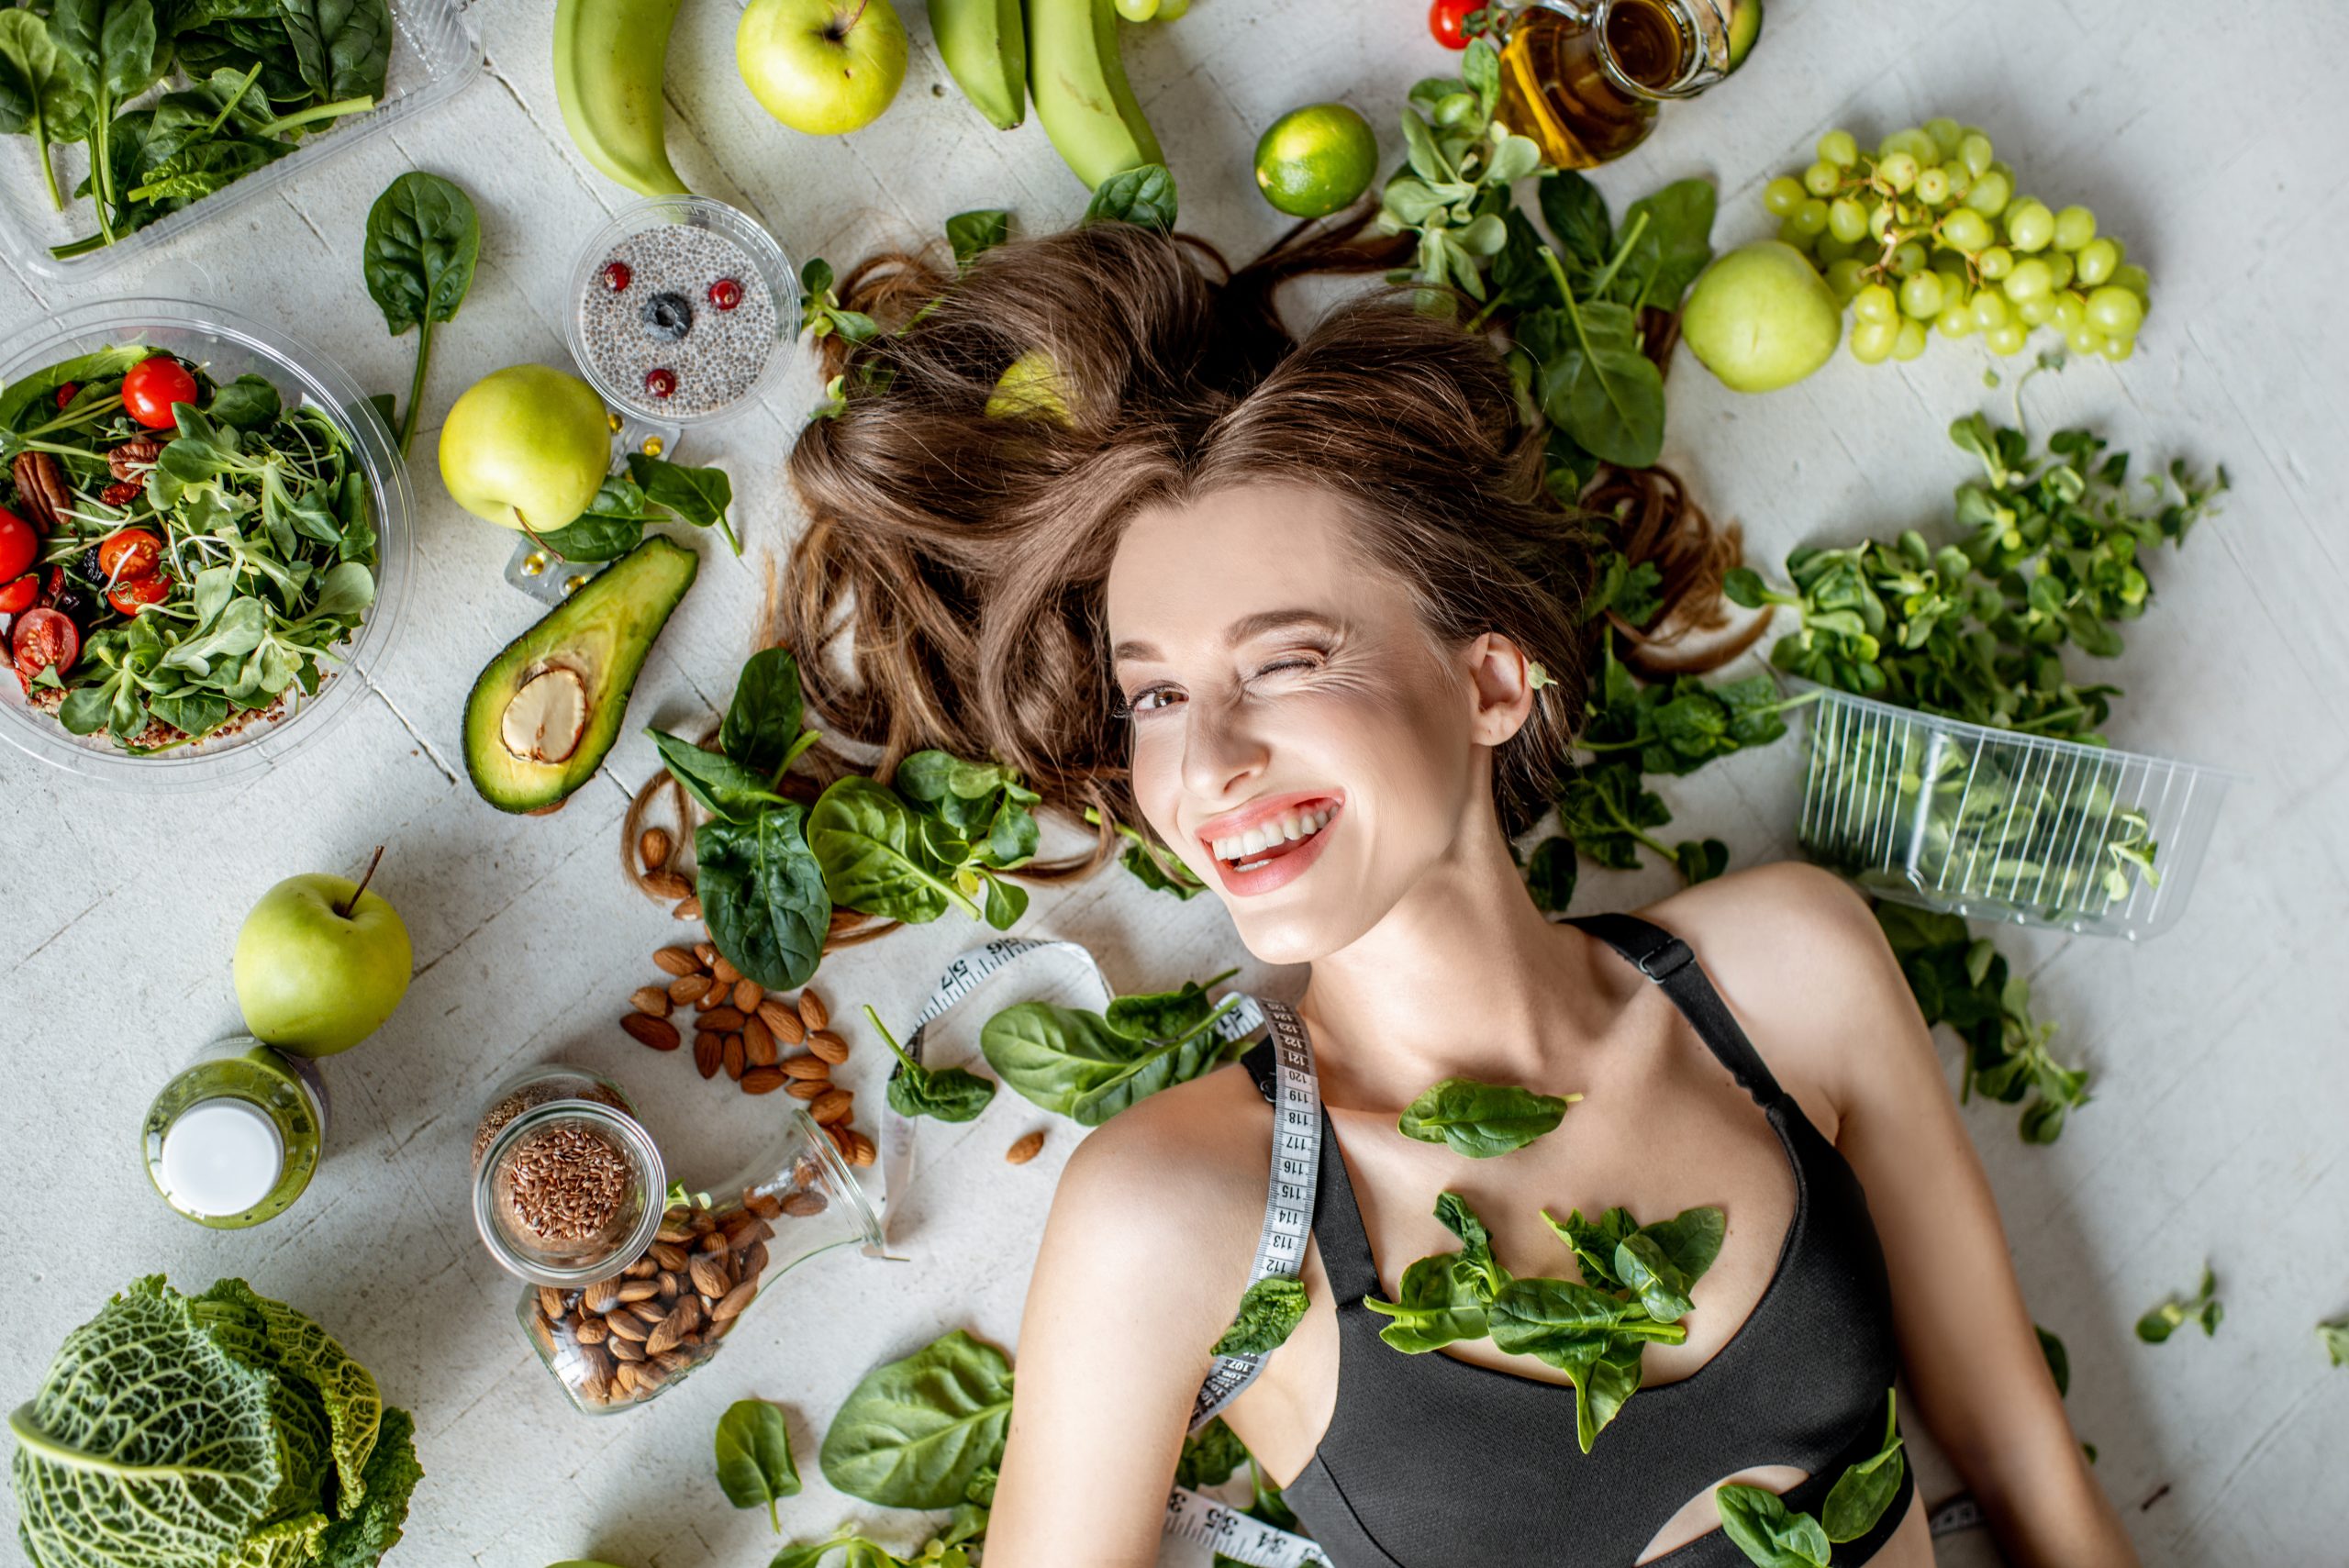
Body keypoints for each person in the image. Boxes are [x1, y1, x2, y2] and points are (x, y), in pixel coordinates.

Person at [777, 222, 2133, 1567]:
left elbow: (2027, 1465)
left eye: (1286, 661)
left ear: (1491, 682)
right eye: (1158, 696)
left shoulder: (1788, 973)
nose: (1210, 760)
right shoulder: (1180, 1206)